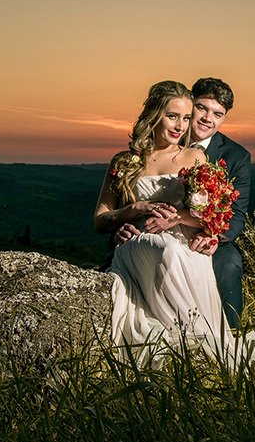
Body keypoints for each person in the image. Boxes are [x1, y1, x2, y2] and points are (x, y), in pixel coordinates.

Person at [94, 81, 228, 351]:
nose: (180, 126)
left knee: (170, 249)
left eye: (186, 118)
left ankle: (195, 342)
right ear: (155, 114)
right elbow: (100, 220)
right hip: (138, 243)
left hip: (183, 245)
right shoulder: (123, 161)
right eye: (172, 116)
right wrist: (133, 210)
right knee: (161, 247)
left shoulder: (194, 157)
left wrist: (177, 218)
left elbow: (213, 217)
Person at [113, 78, 250, 328]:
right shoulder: (164, 138)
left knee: (229, 263)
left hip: (207, 232)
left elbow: (236, 214)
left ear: (224, 119)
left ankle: (229, 333)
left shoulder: (237, 155)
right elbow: (129, 197)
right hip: (150, 230)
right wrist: (123, 224)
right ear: (189, 104)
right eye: (201, 109)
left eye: (217, 114)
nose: (208, 118)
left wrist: (212, 235)